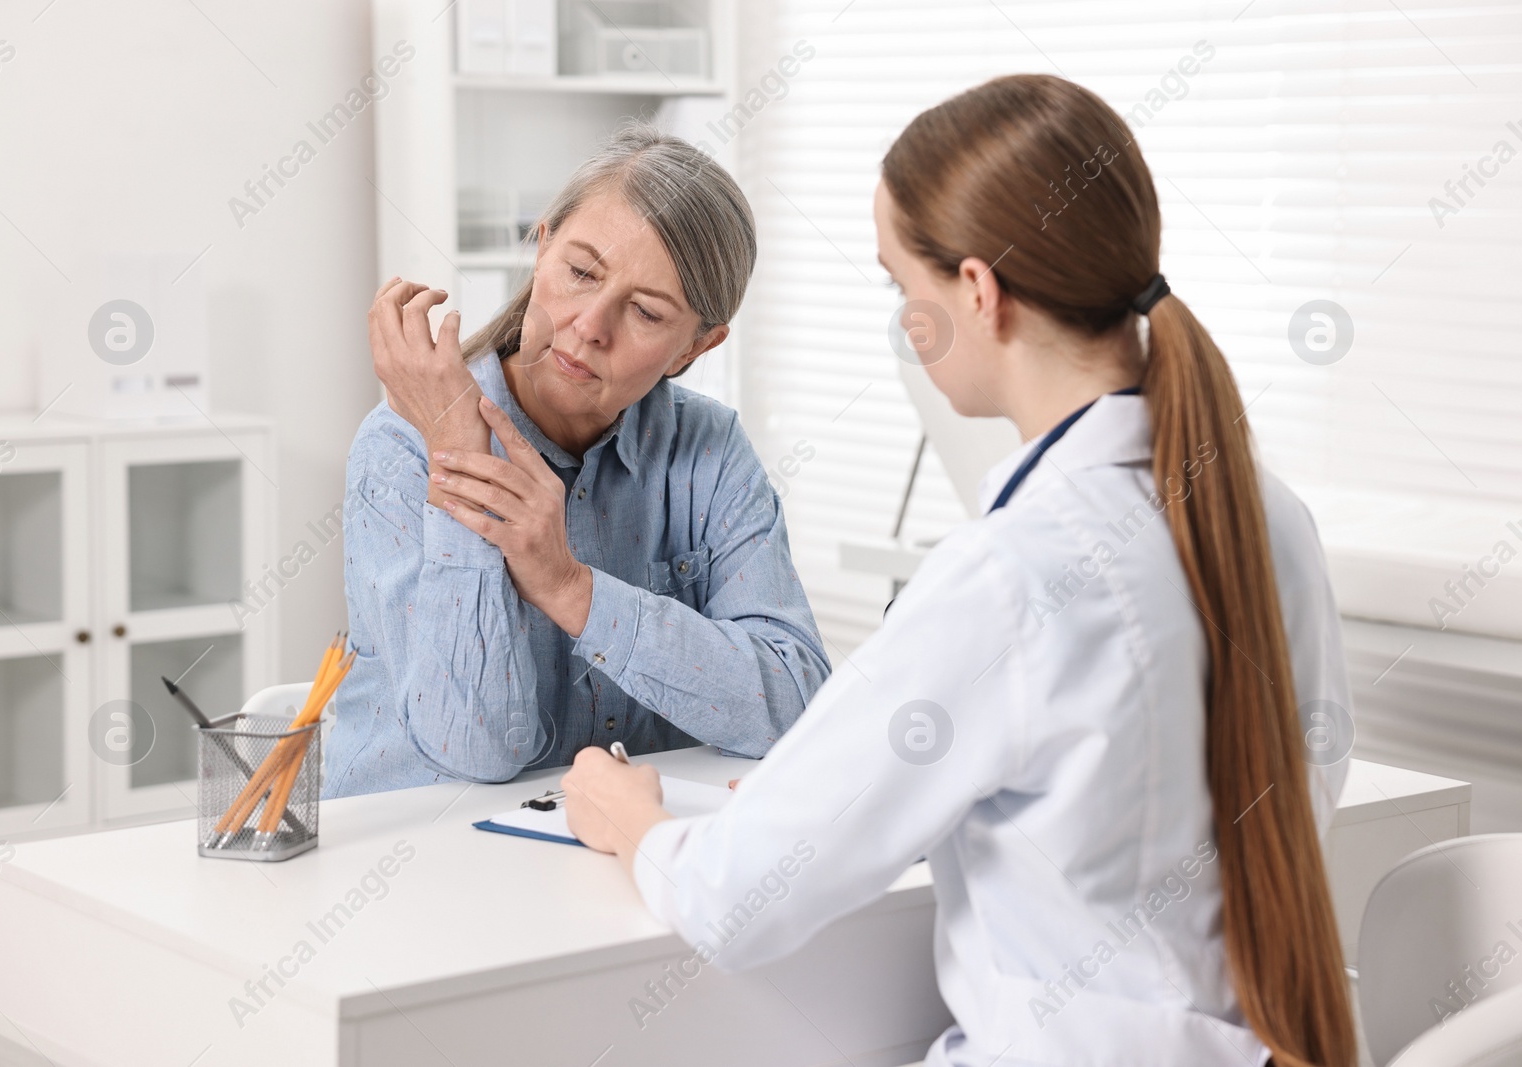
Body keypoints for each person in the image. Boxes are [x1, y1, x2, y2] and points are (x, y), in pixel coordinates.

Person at [562, 75, 1357, 1067]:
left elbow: (736, 897)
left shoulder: (1012, 570)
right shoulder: (1267, 512)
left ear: (977, 292)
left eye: (904, 285)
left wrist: (633, 821)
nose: (906, 319)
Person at [325, 125, 831, 796]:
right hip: (420, 859)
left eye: (647, 312)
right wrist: (461, 453)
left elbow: (796, 700)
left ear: (695, 349)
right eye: (581, 272)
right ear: (542, 249)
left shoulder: (707, 451)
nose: (591, 324)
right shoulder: (402, 447)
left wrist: (569, 587)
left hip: (610, 857)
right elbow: (473, 746)